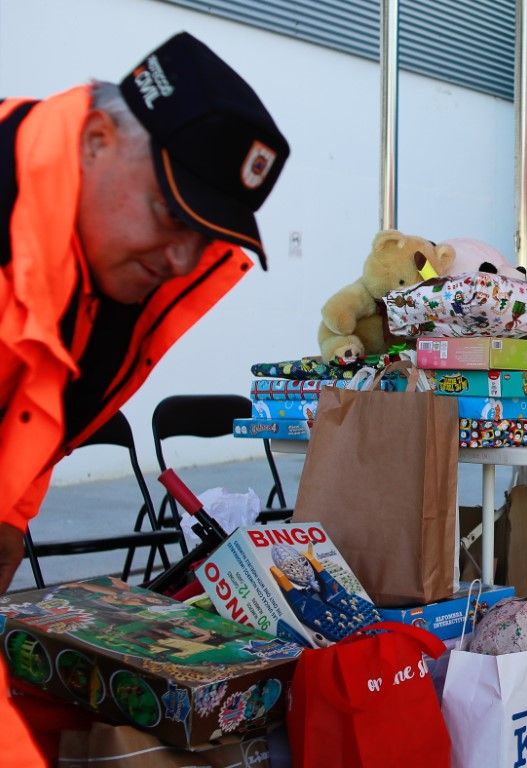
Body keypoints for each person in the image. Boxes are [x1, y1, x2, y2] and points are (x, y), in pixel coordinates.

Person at [0, 32, 289, 764]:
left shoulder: (101, 270)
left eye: (207, 234)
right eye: (171, 212)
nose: (182, 260)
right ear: (98, 138)